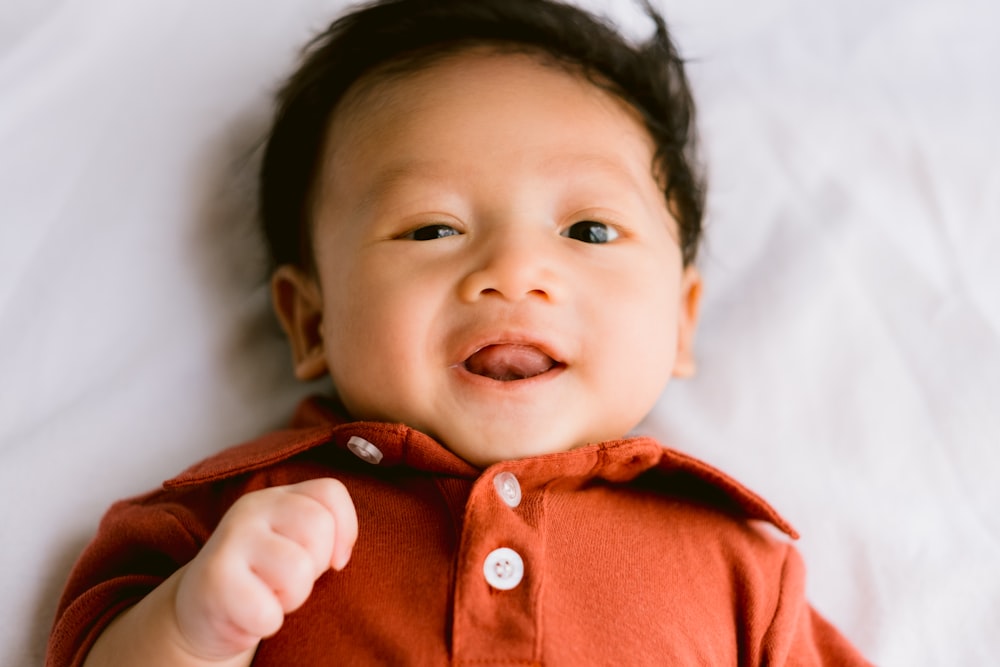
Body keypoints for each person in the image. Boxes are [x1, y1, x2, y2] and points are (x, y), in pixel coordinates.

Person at [47, 0, 871, 664]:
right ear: (310, 320)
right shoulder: (236, 520)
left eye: (587, 230)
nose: (513, 271)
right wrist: (190, 631)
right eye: (431, 228)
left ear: (681, 321)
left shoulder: (739, 565)